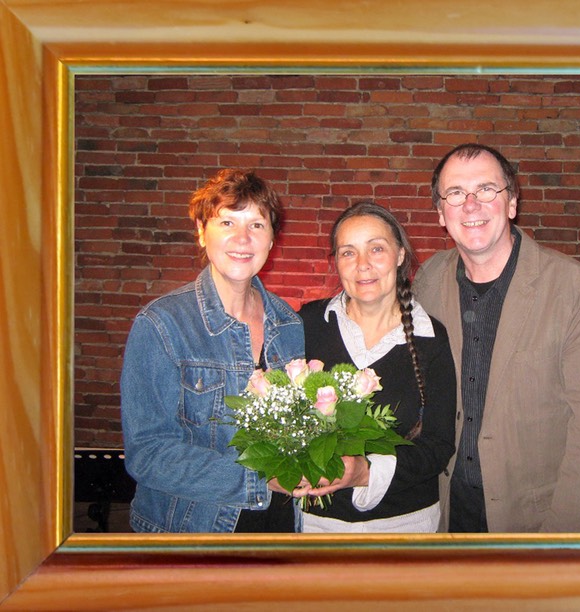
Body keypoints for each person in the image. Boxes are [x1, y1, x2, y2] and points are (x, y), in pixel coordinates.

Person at [413, 143, 580, 533]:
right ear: (441, 213)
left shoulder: (572, 288)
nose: (471, 204)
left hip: (536, 518)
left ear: (511, 203)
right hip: (445, 507)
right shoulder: (427, 281)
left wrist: (562, 536)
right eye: (456, 193)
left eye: (487, 190)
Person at [120, 168, 305, 533]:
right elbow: (148, 453)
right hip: (193, 532)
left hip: (279, 525)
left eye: (256, 225)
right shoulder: (161, 324)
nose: (242, 238)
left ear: (271, 240)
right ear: (202, 233)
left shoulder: (289, 324)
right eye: (226, 222)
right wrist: (261, 478)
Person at [294, 201, 456, 532]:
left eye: (376, 249)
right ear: (336, 262)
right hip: (316, 524)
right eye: (348, 252)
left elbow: (438, 445)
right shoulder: (307, 324)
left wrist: (366, 472)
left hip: (405, 523)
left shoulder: (430, 337)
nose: (362, 265)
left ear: (400, 256)